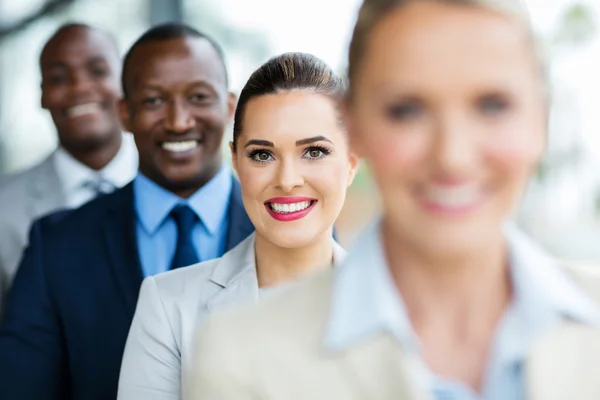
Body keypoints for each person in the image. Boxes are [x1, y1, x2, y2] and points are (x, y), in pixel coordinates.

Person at [188, 1, 600, 399]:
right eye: (406, 110)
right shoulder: (241, 357)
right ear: (356, 127)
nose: (452, 157)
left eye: (492, 105)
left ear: (541, 118)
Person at [0, 23, 254, 400]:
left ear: (230, 106)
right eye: (153, 101)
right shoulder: (54, 246)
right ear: (125, 113)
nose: (178, 120)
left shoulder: (293, 229)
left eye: (199, 97)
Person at [116, 52, 358, 400]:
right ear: (236, 161)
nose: (287, 180)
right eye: (262, 154)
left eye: (314, 152)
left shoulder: (402, 306)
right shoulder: (168, 306)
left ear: (351, 162)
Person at [0, 23, 138, 311]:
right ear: (42, 95)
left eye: (97, 71)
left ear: (126, 84)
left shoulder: (173, 187)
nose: (79, 87)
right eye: (58, 77)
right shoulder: (4, 206)